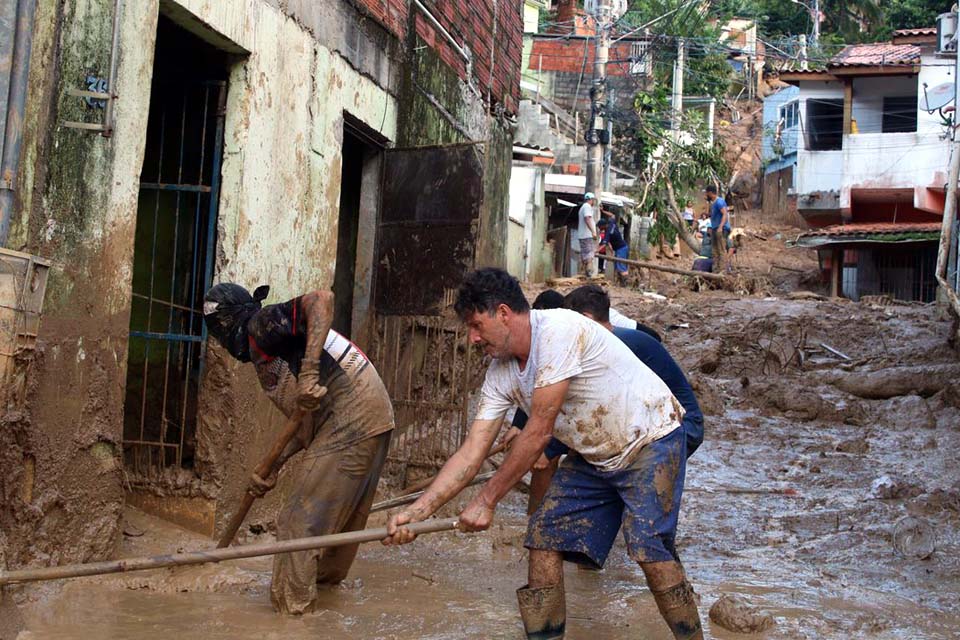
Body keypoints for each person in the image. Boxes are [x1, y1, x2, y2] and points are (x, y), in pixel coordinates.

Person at [383, 269, 703, 640]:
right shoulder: (500, 374)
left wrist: (487, 501)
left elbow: (539, 432)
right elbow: (472, 451)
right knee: (544, 536)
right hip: (595, 454)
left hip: (652, 438)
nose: (472, 338)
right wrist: (415, 513)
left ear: (503, 313)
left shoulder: (558, 331)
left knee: (649, 549)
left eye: (475, 325)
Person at [203, 284, 394, 615]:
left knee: (296, 521)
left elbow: (322, 299)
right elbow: (306, 429)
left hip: (352, 412)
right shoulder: (272, 354)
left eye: (218, 332)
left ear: (226, 323)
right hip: (373, 413)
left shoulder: (258, 325)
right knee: (338, 521)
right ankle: (326, 603)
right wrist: (272, 468)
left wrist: (307, 373)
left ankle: (293, 619)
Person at [705, 185, 732, 273]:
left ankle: (723, 270)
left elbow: (725, 214)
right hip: (715, 229)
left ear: (710, 193)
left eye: (707, 193)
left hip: (721, 229)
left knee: (721, 250)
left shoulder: (719, 202)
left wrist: (720, 227)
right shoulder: (713, 204)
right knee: (715, 251)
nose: (706, 195)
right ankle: (715, 270)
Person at [602, 211, 630, 285]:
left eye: (599, 227)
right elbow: (612, 215)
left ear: (603, 226)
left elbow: (604, 244)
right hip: (623, 247)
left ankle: (626, 283)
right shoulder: (612, 223)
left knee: (621, 266)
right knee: (620, 266)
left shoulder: (607, 233)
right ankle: (622, 283)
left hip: (621, 249)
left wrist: (595, 251)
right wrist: (602, 211)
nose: (599, 228)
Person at [577, 192, 599, 276]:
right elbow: (587, 218)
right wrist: (593, 231)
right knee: (589, 254)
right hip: (587, 235)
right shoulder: (587, 207)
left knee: (585, 254)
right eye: (593, 200)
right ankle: (589, 273)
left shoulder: (583, 207)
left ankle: (584, 273)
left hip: (583, 235)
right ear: (591, 199)